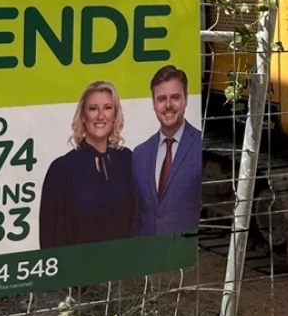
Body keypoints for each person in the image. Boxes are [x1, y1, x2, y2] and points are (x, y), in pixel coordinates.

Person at [39, 81, 134, 248]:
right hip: (79, 270)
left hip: (126, 268)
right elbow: (51, 237)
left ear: (115, 115)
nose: (100, 116)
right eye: (93, 109)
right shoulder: (62, 169)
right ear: (83, 116)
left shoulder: (128, 161)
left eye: (107, 108)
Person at [131, 65, 202, 236]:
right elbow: (137, 214)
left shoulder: (200, 146)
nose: (168, 105)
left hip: (187, 256)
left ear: (186, 99)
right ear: (154, 103)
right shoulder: (140, 154)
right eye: (162, 99)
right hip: (148, 255)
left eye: (175, 97)